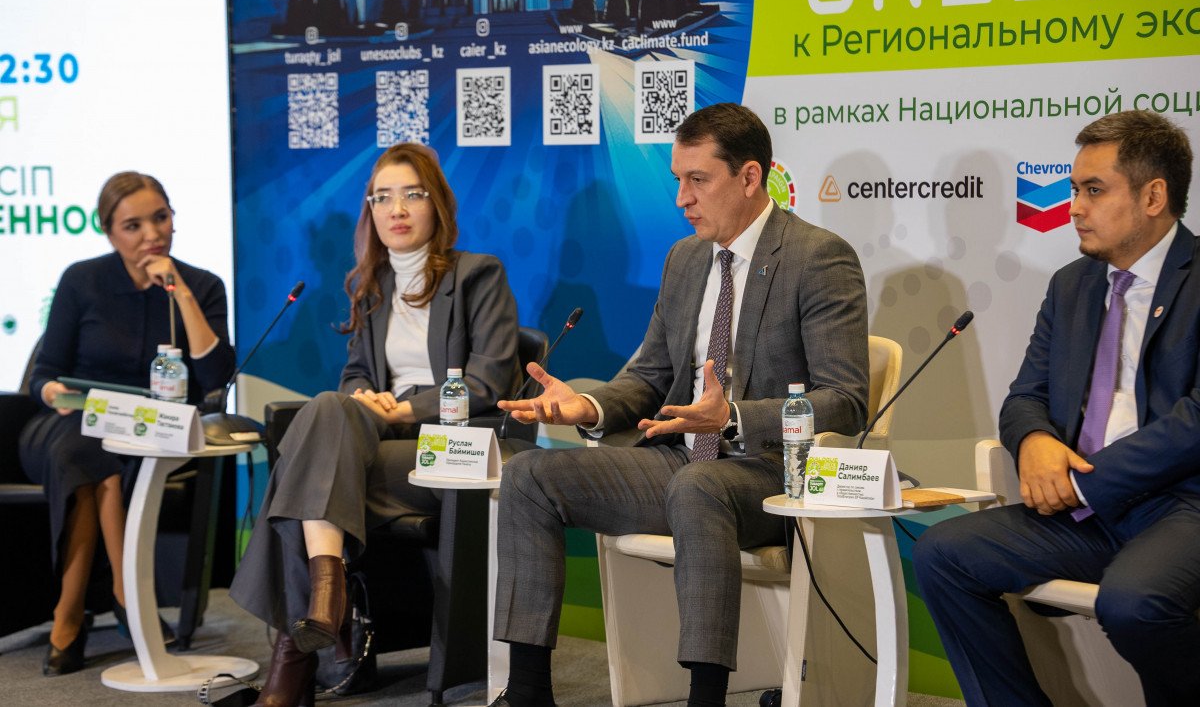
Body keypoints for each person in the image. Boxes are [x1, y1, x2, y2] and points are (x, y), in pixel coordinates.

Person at [490, 103, 870, 707]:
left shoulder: (818, 257)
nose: (681, 199)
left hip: (773, 473)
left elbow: (846, 401)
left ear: (749, 177)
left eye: (698, 180)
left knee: (699, 487)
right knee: (529, 476)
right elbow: (649, 376)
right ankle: (527, 692)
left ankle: (705, 696)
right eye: (677, 180)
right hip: (681, 462)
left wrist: (735, 418)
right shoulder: (685, 259)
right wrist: (587, 406)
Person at [912, 110, 1200, 707]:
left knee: (1134, 603)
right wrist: (1035, 442)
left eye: (1094, 190)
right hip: (1086, 512)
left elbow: (1195, 421)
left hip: (1182, 507)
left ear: (1153, 197)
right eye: (1073, 189)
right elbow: (1026, 396)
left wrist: (1082, 481)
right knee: (944, 553)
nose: (1074, 207)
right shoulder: (1072, 285)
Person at [229, 143, 521, 707]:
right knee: (329, 406)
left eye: (412, 194)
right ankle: (325, 595)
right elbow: (355, 376)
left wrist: (404, 408)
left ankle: (297, 654)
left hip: (447, 451)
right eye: (382, 197)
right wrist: (365, 399)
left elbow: (487, 382)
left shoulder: (478, 275)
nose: (397, 209)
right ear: (370, 210)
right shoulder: (373, 284)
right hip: (376, 445)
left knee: (300, 472)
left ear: (437, 204)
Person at [20, 171, 236, 675]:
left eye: (160, 218)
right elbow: (45, 373)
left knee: (101, 460)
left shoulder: (202, 285)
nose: (151, 235)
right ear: (109, 232)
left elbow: (214, 377)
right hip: (67, 425)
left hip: (150, 431)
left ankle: (74, 613)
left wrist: (179, 292)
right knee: (85, 448)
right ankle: (120, 594)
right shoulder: (82, 280)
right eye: (133, 226)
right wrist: (52, 393)